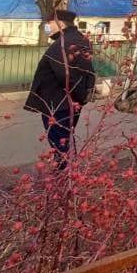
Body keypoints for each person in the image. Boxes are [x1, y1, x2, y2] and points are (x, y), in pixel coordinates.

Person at [24, 10, 96, 171]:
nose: (47, 27)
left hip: (57, 102)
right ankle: (69, 175)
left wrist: (77, 95)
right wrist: (82, 96)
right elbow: (89, 71)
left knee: (60, 142)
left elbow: (66, 75)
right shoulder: (81, 40)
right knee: (65, 139)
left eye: (49, 24)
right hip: (71, 101)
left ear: (60, 24)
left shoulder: (62, 44)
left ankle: (66, 177)